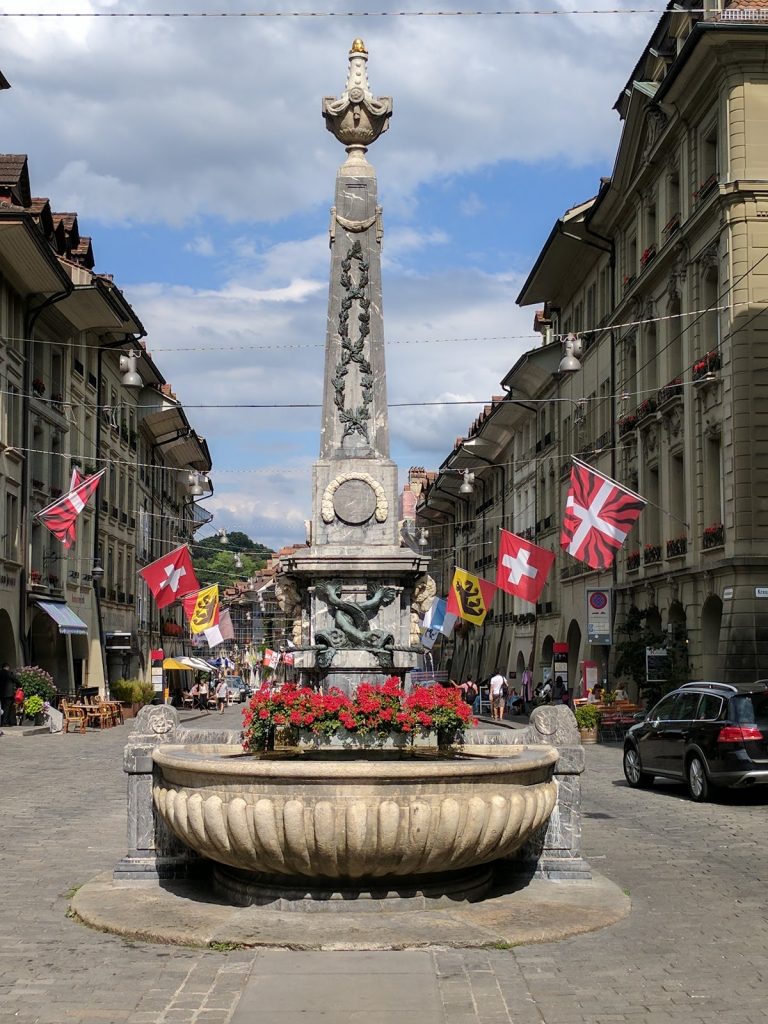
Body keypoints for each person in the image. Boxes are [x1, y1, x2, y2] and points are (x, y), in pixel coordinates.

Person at [0, 663, 18, 728]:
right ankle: (5, 723)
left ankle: (2, 722)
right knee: (7, 708)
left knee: (2, 708)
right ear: (7, 667)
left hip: (1, 694)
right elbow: (16, 680)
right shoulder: (9, 673)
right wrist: (20, 686)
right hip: (8, 694)